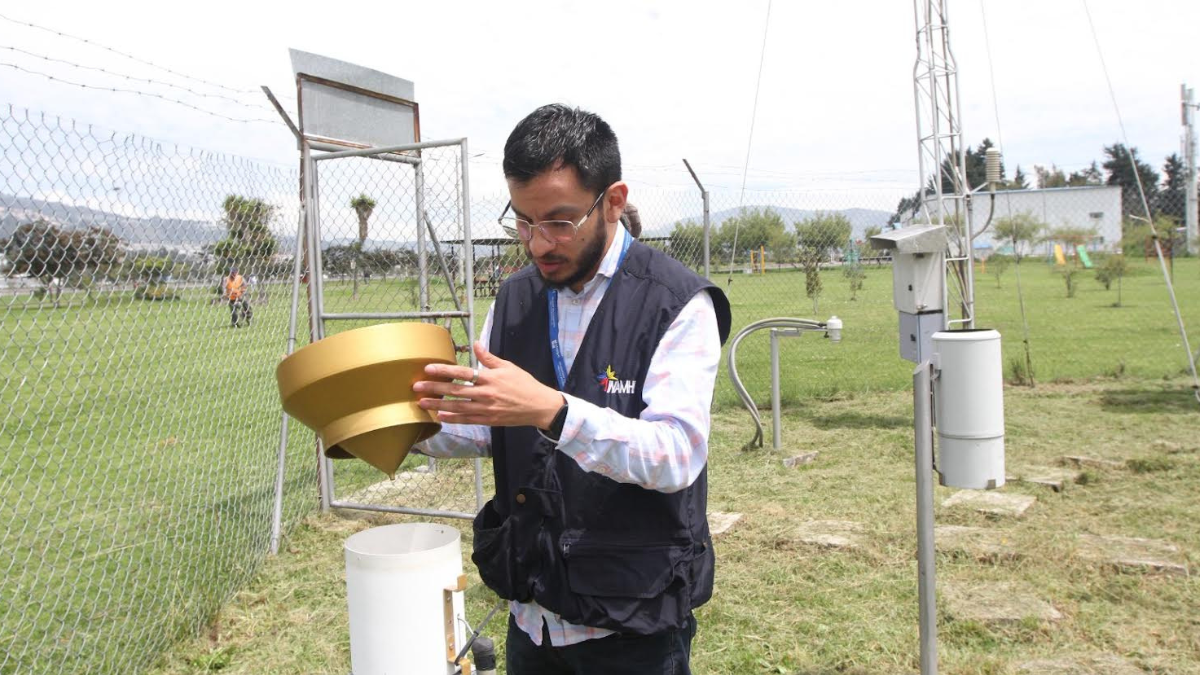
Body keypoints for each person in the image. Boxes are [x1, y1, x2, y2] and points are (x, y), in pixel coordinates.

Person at [412, 104, 731, 674]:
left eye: (559, 222)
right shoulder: (515, 299)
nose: (538, 245)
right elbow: (488, 424)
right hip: (533, 616)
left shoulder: (676, 303)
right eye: (524, 222)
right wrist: (396, 429)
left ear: (612, 201)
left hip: (631, 624)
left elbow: (676, 454)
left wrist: (552, 411)